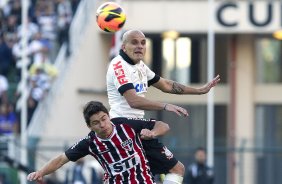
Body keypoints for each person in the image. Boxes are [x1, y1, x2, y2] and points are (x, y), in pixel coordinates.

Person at [106, 29, 220, 183]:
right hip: (122, 126)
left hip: (138, 126)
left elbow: (166, 84)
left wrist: (200, 91)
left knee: (175, 170)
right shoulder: (119, 66)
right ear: (123, 46)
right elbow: (133, 101)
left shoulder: (140, 66)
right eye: (134, 42)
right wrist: (165, 105)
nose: (139, 46)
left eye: (143, 43)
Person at [27, 101, 170, 184]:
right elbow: (60, 160)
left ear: (108, 116)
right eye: (96, 123)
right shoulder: (90, 142)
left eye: (104, 119)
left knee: (178, 169)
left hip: (144, 181)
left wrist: (152, 133)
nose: (102, 125)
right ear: (89, 126)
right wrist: (41, 172)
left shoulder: (126, 125)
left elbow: (163, 125)